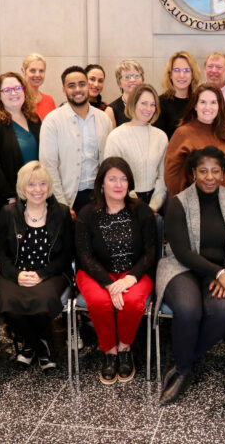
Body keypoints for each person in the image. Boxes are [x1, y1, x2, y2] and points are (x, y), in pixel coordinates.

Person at [156, 146, 225, 404]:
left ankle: (184, 361)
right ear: (194, 172)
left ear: (223, 174)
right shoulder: (178, 203)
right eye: (203, 171)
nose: (209, 177)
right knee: (188, 309)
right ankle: (185, 371)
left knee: (221, 311)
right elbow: (183, 252)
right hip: (182, 267)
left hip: (223, 269)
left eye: (215, 171)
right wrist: (218, 272)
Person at [75, 157, 156, 384]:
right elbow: (84, 256)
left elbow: (150, 252)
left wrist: (130, 279)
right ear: (102, 183)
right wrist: (110, 284)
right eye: (112, 179)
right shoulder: (87, 213)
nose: (119, 184)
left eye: (123, 179)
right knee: (101, 302)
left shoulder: (141, 210)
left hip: (134, 272)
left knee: (131, 302)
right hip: (97, 272)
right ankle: (109, 351)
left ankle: (124, 348)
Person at [0, 162, 72, 371]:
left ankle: (29, 346)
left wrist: (41, 274)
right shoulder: (8, 213)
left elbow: (67, 254)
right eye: (31, 185)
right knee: (7, 301)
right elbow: (1, 252)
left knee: (44, 299)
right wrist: (17, 275)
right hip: (16, 270)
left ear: (48, 187)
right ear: (22, 187)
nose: (37, 190)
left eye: (42, 184)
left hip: (51, 271)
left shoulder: (62, 213)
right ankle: (40, 347)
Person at [39, 66, 113, 219]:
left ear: (88, 86)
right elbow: (49, 166)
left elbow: (109, 162)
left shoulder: (103, 118)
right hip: (69, 198)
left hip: (98, 196)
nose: (77, 89)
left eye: (82, 84)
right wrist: (62, 205)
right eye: (71, 86)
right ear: (64, 90)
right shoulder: (52, 121)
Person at [0, 72, 41, 226]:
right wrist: (10, 196)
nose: (13, 93)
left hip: (36, 192)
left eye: (17, 88)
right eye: (7, 90)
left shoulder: (34, 119)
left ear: (24, 91)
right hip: (7, 199)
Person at [163, 84, 225, 196]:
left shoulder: (223, 133)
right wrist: (185, 201)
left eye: (213, 102)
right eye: (203, 102)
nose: (208, 107)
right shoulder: (183, 133)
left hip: (224, 201)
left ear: (219, 106)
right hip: (193, 204)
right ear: (195, 106)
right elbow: (171, 174)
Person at [104, 84, 168, 212]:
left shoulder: (161, 137)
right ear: (133, 104)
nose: (148, 109)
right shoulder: (116, 136)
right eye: (144, 103)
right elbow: (111, 176)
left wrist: (153, 207)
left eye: (152, 104)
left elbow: (162, 176)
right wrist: (135, 205)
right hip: (124, 202)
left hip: (156, 204)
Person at [154, 51, 202, 139]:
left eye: (186, 70)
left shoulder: (199, 101)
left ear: (192, 75)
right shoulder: (160, 103)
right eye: (177, 70)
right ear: (170, 75)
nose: (182, 75)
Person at [105, 59, 144, 128]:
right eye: (127, 77)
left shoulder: (150, 105)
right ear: (119, 83)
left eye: (136, 76)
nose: (132, 80)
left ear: (142, 79)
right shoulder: (111, 111)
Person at [22, 53, 56, 120]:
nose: (37, 75)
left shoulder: (49, 101)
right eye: (33, 71)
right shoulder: (17, 100)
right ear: (23, 71)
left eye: (41, 71)